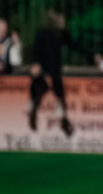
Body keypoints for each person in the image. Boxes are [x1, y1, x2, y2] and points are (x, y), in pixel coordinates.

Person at [29, 8, 89, 136]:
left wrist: (92, 55)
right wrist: (35, 63)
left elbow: (74, 45)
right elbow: (35, 48)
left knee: (60, 98)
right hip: (43, 70)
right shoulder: (43, 32)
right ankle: (33, 117)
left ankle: (64, 121)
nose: (63, 21)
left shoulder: (61, 34)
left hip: (55, 71)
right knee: (37, 96)